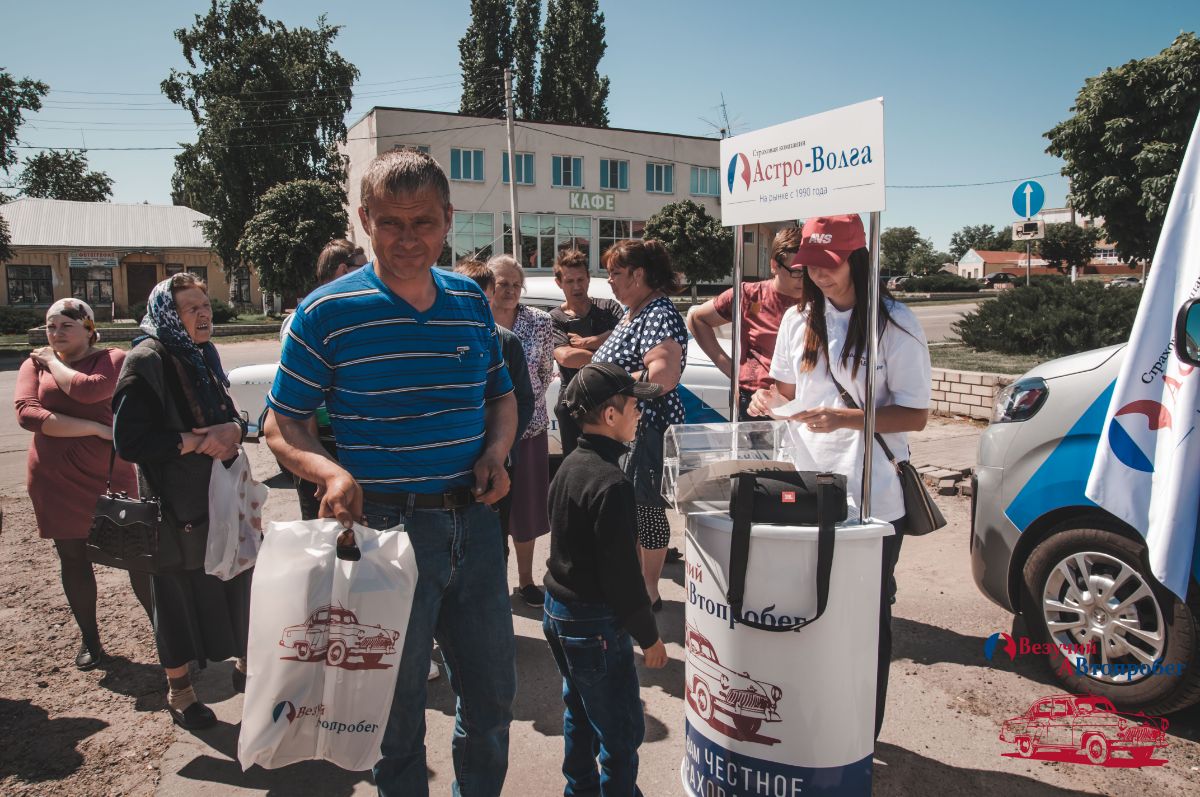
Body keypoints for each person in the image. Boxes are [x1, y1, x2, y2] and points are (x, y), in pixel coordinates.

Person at [263, 148, 518, 797]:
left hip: (477, 530)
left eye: (424, 222)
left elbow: (501, 396)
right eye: (391, 222)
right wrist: (329, 472)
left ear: (448, 219)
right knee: (394, 719)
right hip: (381, 534)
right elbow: (280, 422)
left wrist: (495, 452)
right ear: (364, 218)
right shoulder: (325, 312)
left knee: (491, 705)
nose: (409, 238)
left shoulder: (468, 300)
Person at [748, 214, 931, 740]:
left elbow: (914, 415)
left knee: (866, 620)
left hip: (872, 496)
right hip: (807, 489)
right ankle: (813, 725)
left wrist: (847, 418)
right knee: (808, 609)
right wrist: (766, 399)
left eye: (829, 265)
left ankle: (858, 733)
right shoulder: (796, 321)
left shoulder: (895, 323)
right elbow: (784, 392)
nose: (820, 276)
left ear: (857, 257)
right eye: (811, 266)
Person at [112, 274, 252, 730]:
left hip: (218, 500)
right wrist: (194, 443)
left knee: (233, 582)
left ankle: (245, 669)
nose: (204, 314)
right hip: (172, 509)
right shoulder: (146, 359)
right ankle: (181, 692)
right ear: (169, 315)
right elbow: (128, 440)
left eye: (206, 304)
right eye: (191, 308)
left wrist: (233, 429)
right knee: (174, 600)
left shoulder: (200, 354)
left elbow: (226, 412)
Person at [544, 362, 669, 795]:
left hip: (559, 613)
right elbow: (622, 576)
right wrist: (649, 636)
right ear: (611, 416)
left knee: (579, 712)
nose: (640, 413)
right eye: (635, 406)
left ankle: (579, 790)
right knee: (620, 732)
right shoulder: (612, 482)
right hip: (592, 624)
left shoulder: (570, 465)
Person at [13, 298, 153, 670]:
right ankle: (90, 640)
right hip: (53, 477)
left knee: (137, 557)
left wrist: (54, 364)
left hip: (108, 474)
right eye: (50, 327)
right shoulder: (32, 363)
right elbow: (27, 414)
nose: (55, 334)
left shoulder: (112, 358)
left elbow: (91, 390)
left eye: (65, 327)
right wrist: (93, 428)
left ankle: (166, 633)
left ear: (88, 328)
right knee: (72, 558)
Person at [591, 239, 687, 611]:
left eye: (616, 272)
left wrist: (608, 385)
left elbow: (662, 376)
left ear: (639, 274)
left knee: (645, 509)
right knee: (631, 510)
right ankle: (635, 584)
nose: (609, 280)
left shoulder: (658, 312)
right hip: (628, 430)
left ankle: (648, 592)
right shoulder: (636, 312)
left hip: (645, 429)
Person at [273, 239, 367, 521]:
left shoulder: (347, 312)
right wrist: (318, 468)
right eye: (362, 268)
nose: (368, 275)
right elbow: (301, 404)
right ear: (342, 270)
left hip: (341, 443)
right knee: (325, 540)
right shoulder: (309, 319)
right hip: (321, 445)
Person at [487, 253, 554, 607]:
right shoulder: (476, 321)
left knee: (526, 511)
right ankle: (492, 580)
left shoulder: (540, 322)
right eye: (503, 284)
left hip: (529, 431)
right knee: (489, 512)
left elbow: (545, 373)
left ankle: (526, 581)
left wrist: (519, 415)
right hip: (484, 436)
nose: (511, 290)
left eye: (516, 284)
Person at [686, 227, 805, 420]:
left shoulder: (819, 300)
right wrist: (729, 368)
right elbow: (697, 319)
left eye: (809, 270)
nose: (804, 279)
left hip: (803, 402)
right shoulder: (748, 295)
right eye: (797, 272)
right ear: (774, 265)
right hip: (757, 403)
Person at [548, 249, 623, 456]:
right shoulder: (554, 318)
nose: (577, 286)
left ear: (588, 279)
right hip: (572, 402)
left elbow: (624, 343)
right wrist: (607, 350)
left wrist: (588, 342)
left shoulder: (609, 308)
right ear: (559, 283)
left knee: (612, 464)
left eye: (581, 279)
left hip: (609, 397)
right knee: (576, 464)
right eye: (570, 281)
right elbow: (566, 358)